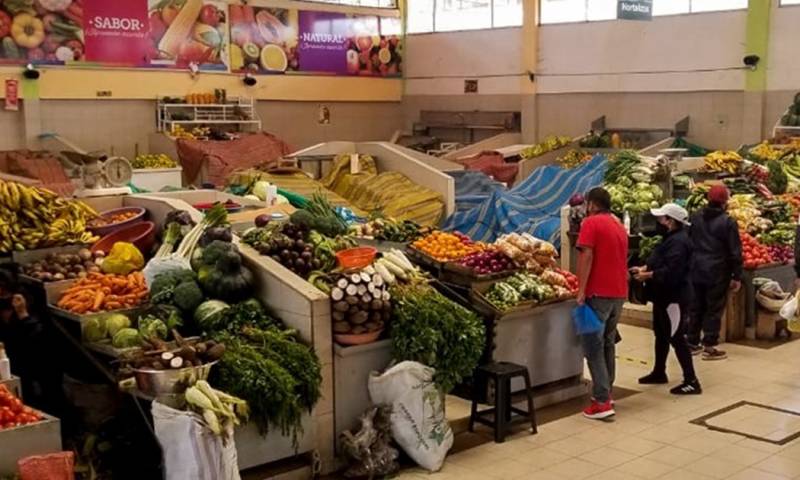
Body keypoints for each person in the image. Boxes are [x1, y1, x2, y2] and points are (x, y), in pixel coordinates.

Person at [631, 203, 701, 395]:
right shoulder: (670, 239)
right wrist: (645, 268)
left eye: (661, 218)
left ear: (671, 222)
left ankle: (691, 380)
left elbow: (673, 272)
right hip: (662, 296)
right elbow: (662, 260)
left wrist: (649, 275)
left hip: (674, 298)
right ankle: (659, 371)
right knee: (661, 334)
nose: (658, 222)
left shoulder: (679, 242)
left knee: (677, 337)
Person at [576, 187, 629, 420]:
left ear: (593, 204)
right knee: (608, 343)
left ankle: (601, 401)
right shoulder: (617, 224)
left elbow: (586, 255)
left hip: (598, 293)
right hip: (618, 293)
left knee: (593, 347)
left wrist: (580, 290)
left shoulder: (591, 223)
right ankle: (608, 391)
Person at [688, 185, 742, 361]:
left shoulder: (695, 217)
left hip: (696, 268)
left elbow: (688, 241)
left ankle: (692, 342)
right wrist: (736, 276)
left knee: (696, 306)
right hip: (717, 271)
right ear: (725, 202)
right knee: (714, 309)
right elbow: (735, 252)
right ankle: (709, 346)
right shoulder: (728, 222)